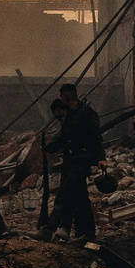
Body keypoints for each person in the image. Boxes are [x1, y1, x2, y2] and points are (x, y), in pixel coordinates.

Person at [44, 83, 104, 241]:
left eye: (62, 96)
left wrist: (101, 159)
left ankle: (55, 227)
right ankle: (85, 233)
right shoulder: (69, 115)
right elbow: (65, 136)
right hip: (70, 160)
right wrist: (52, 147)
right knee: (80, 197)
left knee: (66, 192)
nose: (60, 99)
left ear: (67, 96)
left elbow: (96, 137)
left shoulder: (87, 114)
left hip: (82, 160)